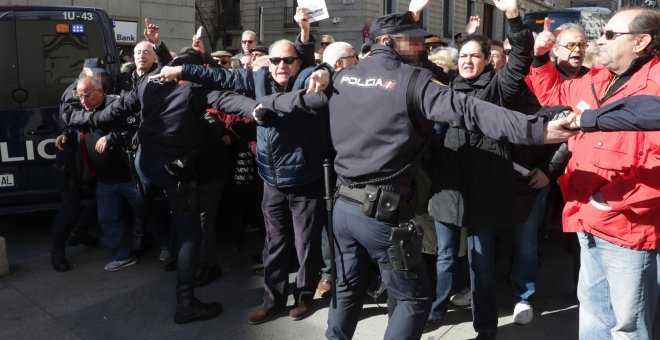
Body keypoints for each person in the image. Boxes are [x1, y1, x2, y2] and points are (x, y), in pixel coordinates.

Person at [302, 8, 577, 340]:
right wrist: (539, 130)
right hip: (404, 205)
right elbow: (463, 107)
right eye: (414, 41)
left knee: (352, 289)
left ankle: (481, 327)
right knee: (416, 294)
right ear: (389, 42)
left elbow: (297, 99)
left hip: (356, 207)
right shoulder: (419, 81)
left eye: (422, 42)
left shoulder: (347, 77)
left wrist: (314, 74)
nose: (421, 48)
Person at [151, 7, 325, 325]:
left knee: (306, 242)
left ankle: (304, 297)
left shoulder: (306, 78)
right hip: (270, 178)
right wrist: (181, 71)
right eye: (275, 60)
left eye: (289, 60)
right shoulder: (256, 77)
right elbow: (218, 75)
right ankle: (272, 300)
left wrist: (314, 57)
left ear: (299, 62)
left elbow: (315, 78)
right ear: (267, 63)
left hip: (303, 178)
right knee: (273, 243)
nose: (281, 66)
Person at [527, 9, 660, 339]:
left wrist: (607, 202)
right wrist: (541, 59)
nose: (599, 40)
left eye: (611, 35)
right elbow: (555, 98)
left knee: (628, 324)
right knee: (592, 310)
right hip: (586, 217)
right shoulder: (598, 77)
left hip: (627, 226)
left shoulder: (655, 86)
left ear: (641, 41)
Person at [426, 0, 536, 335]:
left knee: (481, 263)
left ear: (488, 60)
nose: (468, 61)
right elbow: (414, 66)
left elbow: (520, 59)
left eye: (475, 56)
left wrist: (513, 18)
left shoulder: (498, 87)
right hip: (449, 189)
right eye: (463, 56)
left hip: (486, 192)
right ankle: (436, 309)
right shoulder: (445, 88)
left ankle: (485, 325)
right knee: (445, 257)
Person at [61, 76, 142, 272]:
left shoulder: (117, 106)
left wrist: (114, 137)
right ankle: (123, 256)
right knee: (107, 219)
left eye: (87, 95)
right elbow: (74, 124)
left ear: (100, 92)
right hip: (105, 180)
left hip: (130, 177)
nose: (82, 100)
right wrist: (66, 134)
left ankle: (167, 247)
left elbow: (137, 129)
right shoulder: (82, 109)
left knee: (149, 213)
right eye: (79, 96)